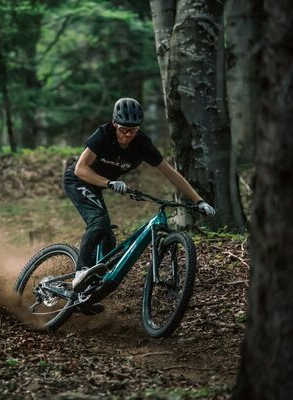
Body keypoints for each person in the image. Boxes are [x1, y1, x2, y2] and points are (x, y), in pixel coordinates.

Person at [63, 97, 215, 310]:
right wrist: (108, 182)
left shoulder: (142, 144)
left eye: (133, 130)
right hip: (78, 181)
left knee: (108, 240)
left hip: (99, 185)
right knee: (99, 222)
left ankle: (85, 295)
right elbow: (80, 168)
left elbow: (171, 174)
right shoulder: (103, 135)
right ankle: (80, 272)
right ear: (115, 124)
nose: (128, 135)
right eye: (124, 129)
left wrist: (199, 201)